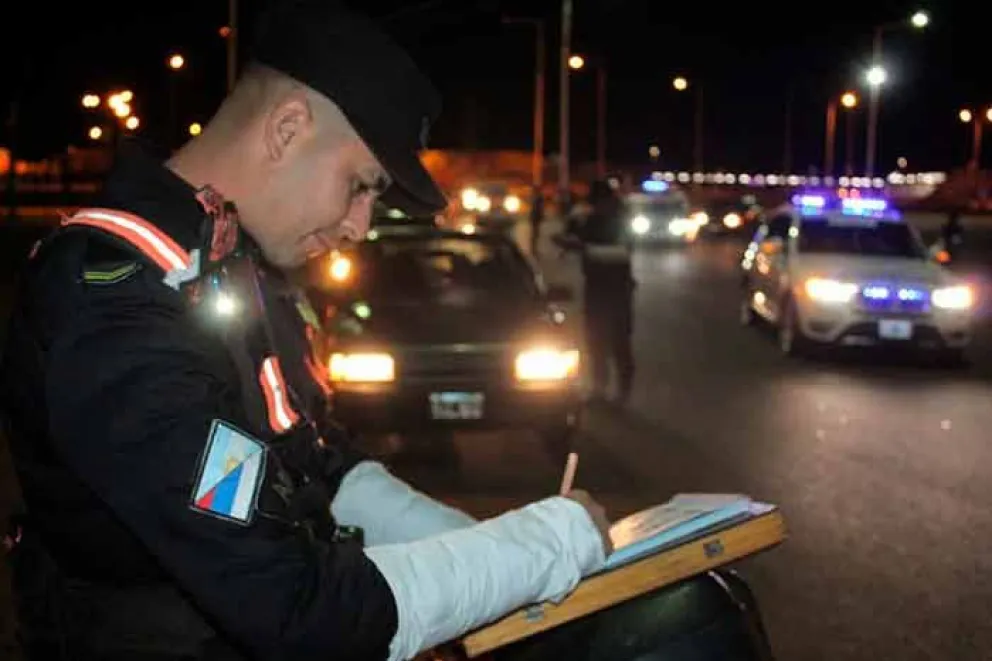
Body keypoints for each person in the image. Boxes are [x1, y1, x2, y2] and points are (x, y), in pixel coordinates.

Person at [1, 4, 771, 661]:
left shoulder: (233, 270)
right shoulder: (115, 301)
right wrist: (542, 546)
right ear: (287, 128)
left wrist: (481, 543)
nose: (361, 226)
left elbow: (318, 465)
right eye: (361, 184)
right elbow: (295, 610)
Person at [555, 180, 636, 405]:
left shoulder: (621, 221)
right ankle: (599, 387)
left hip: (618, 288)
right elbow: (577, 237)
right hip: (596, 286)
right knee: (595, 340)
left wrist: (582, 248)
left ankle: (622, 390)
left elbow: (621, 254)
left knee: (619, 341)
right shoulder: (591, 219)